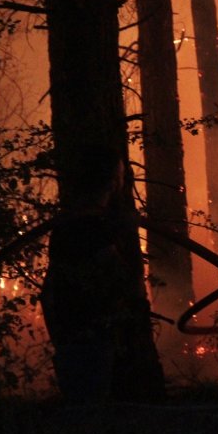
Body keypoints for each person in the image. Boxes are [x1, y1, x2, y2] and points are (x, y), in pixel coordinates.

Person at [40, 145, 133, 404]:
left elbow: (49, 289)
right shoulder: (94, 228)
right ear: (113, 180)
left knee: (82, 408)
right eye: (121, 174)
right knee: (91, 408)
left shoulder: (66, 226)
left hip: (71, 333)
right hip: (89, 336)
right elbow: (115, 278)